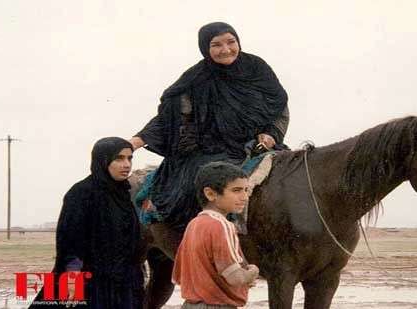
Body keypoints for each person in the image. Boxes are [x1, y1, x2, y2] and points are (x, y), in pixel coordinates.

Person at [129, 21, 290, 232]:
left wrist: (271, 133)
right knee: (198, 186)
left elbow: (278, 106)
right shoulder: (196, 79)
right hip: (210, 150)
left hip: (256, 146)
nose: (226, 50)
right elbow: (170, 118)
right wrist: (134, 142)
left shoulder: (257, 68)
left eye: (231, 42)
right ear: (206, 47)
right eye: (217, 45)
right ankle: (194, 238)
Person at [30, 137, 145, 308]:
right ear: (103, 160)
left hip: (124, 282)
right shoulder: (82, 193)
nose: (127, 164)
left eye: (129, 158)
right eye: (119, 158)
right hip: (91, 283)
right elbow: (70, 241)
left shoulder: (123, 195)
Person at [172, 162, 259, 309]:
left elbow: (179, 276)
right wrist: (252, 273)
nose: (245, 197)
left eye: (246, 190)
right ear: (210, 194)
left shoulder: (194, 224)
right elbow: (235, 278)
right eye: (236, 190)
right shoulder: (222, 226)